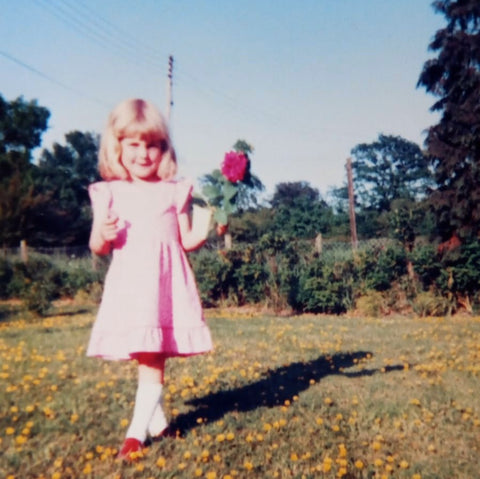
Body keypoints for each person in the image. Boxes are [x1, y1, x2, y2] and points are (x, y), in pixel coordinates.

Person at [87, 98, 213, 460]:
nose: (144, 154)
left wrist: (208, 221)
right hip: (130, 286)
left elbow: (186, 240)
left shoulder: (174, 191)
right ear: (118, 146)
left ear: (164, 148)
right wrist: (105, 233)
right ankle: (158, 425)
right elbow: (97, 245)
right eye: (134, 145)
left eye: (153, 145)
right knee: (145, 355)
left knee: (152, 358)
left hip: (165, 286)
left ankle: (135, 434)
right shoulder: (108, 192)